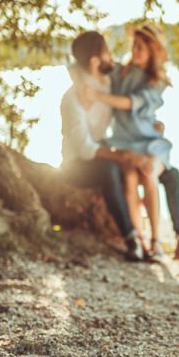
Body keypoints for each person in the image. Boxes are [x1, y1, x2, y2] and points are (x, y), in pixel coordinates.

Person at [110, 24, 179, 264]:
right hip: (126, 145)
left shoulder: (154, 79)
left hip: (150, 146)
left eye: (141, 48)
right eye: (133, 46)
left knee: (161, 173)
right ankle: (144, 240)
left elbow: (136, 104)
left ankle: (165, 242)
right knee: (143, 176)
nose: (134, 51)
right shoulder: (120, 72)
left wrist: (155, 125)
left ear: (151, 52)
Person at [59, 30, 150, 262]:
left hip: (103, 149)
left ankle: (149, 238)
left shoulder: (108, 83)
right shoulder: (72, 99)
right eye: (107, 53)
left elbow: (133, 97)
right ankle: (131, 238)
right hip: (75, 165)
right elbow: (84, 149)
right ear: (94, 61)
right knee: (110, 169)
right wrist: (120, 156)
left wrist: (151, 124)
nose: (113, 58)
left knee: (147, 167)